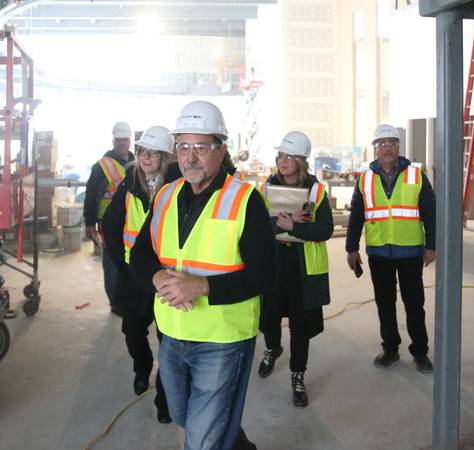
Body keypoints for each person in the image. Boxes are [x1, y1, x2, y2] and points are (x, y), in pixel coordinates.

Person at [130, 101, 276, 450]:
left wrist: (203, 286)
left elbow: (266, 274)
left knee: (201, 439)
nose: (190, 157)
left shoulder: (245, 200)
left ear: (221, 149)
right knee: (185, 415)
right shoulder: (165, 195)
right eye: (182, 146)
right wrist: (155, 278)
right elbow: (139, 253)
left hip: (222, 338)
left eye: (200, 147)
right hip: (172, 332)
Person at [101, 125, 180, 424]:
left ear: (165, 157)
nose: (146, 157)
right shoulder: (129, 182)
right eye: (142, 151)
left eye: (152, 153)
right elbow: (110, 225)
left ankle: (163, 400)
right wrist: (122, 264)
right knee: (132, 332)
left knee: (169, 343)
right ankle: (141, 368)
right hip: (135, 277)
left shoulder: (178, 185)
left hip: (167, 276)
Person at [345, 124, 436, 373]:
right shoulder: (365, 179)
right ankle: (390, 348)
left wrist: (431, 246)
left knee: (414, 303)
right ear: (375, 149)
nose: (387, 148)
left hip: (410, 252)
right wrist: (351, 248)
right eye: (382, 143)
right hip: (378, 252)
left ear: (398, 147)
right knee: (385, 303)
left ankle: (420, 351)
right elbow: (356, 216)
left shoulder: (416, 175)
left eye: (392, 143)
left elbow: (430, 213)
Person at [257, 131, 333, 408]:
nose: (283, 160)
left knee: (301, 328)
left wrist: (295, 227)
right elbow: (256, 227)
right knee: (269, 317)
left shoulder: (316, 191)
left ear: (302, 161)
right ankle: (271, 349)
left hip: (303, 270)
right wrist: (280, 224)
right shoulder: (266, 188)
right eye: (280, 155)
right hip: (274, 265)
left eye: (289, 156)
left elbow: (324, 229)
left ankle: (298, 375)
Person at [83, 121, 135, 313]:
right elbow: (91, 196)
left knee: (131, 261)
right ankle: (115, 302)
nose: (123, 143)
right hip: (109, 224)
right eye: (119, 140)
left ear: (130, 141)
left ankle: (129, 297)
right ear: (113, 141)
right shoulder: (101, 166)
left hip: (133, 221)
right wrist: (89, 223)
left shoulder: (136, 162)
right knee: (112, 262)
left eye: (126, 140)